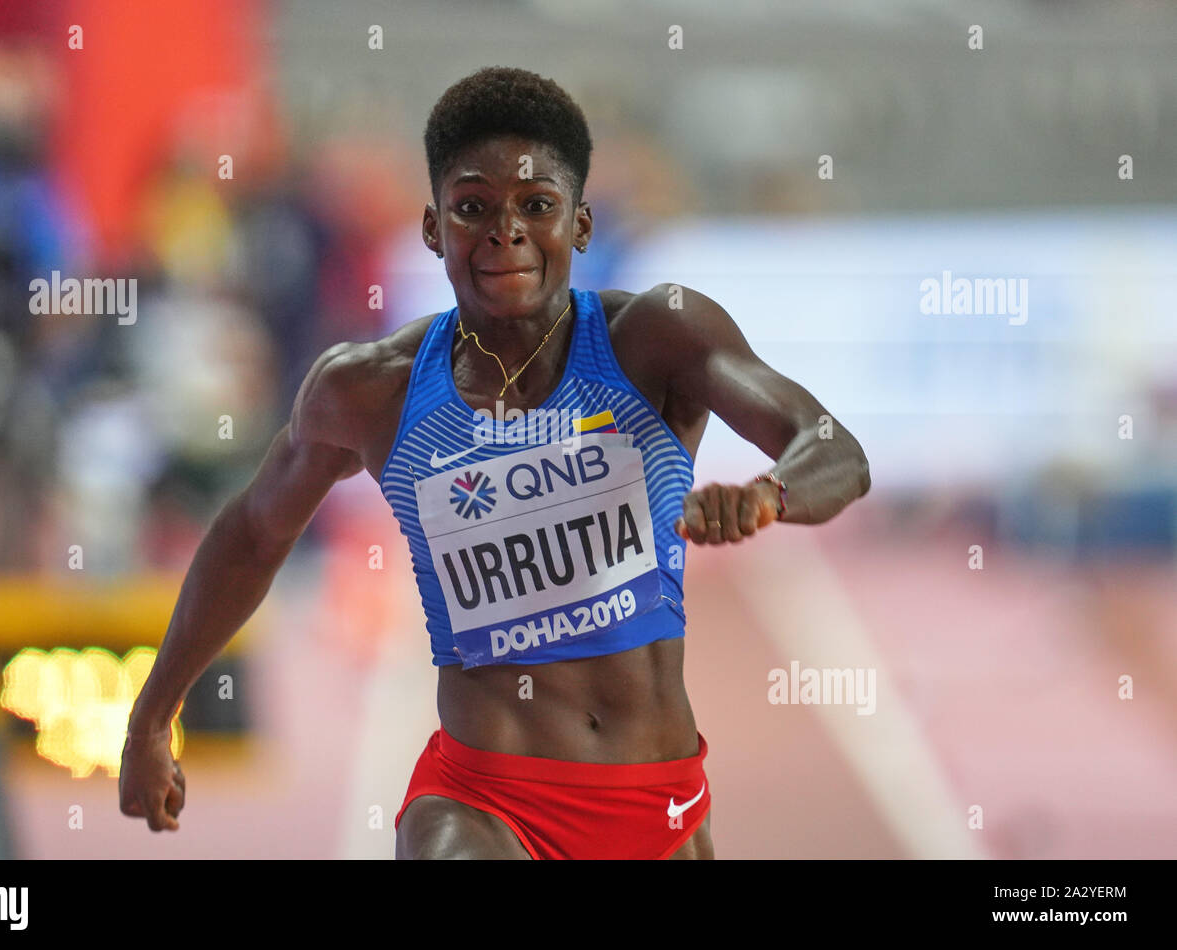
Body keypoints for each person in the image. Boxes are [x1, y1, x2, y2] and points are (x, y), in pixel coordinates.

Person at [119, 66, 871, 859]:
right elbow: (252, 534)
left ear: (580, 225)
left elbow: (832, 446)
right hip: (482, 800)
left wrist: (770, 492)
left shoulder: (655, 342)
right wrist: (150, 717)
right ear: (432, 228)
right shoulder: (371, 389)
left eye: (536, 206)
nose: (504, 231)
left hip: (657, 800)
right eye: (473, 208)